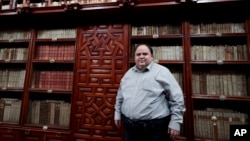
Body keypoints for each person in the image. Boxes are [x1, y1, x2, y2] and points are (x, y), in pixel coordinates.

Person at [114, 44, 186, 141]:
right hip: (130, 127)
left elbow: (176, 97)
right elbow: (120, 96)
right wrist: (117, 113)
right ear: (134, 57)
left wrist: (175, 121)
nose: (141, 56)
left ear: (152, 56)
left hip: (155, 128)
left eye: (145, 54)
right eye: (138, 54)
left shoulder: (162, 72)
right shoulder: (128, 73)